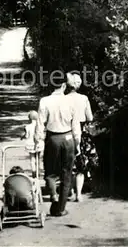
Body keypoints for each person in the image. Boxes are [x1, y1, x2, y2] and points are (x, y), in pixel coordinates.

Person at [34, 74, 81, 217]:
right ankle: (60, 209)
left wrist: (38, 141)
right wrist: (77, 143)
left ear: (50, 85)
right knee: (66, 174)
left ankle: (53, 195)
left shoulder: (45, 101)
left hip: (53, 138)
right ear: (64, 85)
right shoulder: (71, 101)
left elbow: (40, 123)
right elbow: (76, 125)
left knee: (50, 172)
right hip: (68, 138)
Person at [65, 73, 98, 202]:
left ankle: (70, 190)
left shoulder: (64, 98)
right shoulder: (84, 98)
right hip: (82, 132)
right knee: (81, 165)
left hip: (67, 132)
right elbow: (90, 118)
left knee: (69, 163)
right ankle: (79, 194)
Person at [21, 110, 43, 177]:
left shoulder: (27, 127)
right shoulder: (40, 126)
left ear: (29, 118)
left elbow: (27, 135)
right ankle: (38, 171)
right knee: (38, 158)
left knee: (32, 159)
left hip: (30, 144)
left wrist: (22, 136)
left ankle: (33, 171)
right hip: (38, 144)